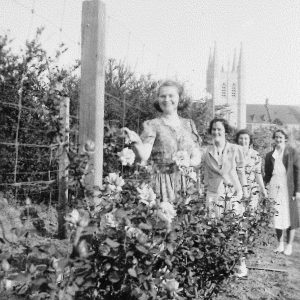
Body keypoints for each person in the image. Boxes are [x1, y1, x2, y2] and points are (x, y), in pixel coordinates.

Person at [122, 80, 202, 202]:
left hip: (187, 183)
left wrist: (189, 162)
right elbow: (144, 155)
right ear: (158, 100)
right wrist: (136, 141)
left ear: (179, 98)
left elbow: (197, 157)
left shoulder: (189, 124)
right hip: (162, 185)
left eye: (171, 96)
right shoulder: (153, 125)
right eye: (162, 96)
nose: (166, 99)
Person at [203, 118, 248, 218]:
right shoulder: (207, 151)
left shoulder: (236, 149)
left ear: (225, 131)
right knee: (213, 227)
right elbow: (205, 172)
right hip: (213, 193)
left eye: (219, 129)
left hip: (233, 193)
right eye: (214, 129)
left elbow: (241, 172)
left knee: (234, 226)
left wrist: (245, 192)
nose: (216, 132)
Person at [264, 128, 300, 256]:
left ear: (285, 138)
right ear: (274, 139)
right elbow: (267, 174)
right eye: (276, 137)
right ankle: (280, 244)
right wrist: (263, 187)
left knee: (291, 216)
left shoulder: (292, 153)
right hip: (275, 187)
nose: (278, 139)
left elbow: (297, 172)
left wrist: (297, 190)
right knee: (276, 215)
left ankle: (289, 245)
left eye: (281, 137)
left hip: (288, 188)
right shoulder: (269, 155)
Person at [235, 129, 268, 209]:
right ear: (237, 140)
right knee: (236, 214)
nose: (243, 141)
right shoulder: (233, 154)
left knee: (251, 215)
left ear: (250, 140)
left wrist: (263, 189)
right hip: (236, 188)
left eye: (246, 138)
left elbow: (258, 173)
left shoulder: (255, 155)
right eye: (241, 138)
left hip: (252, 188)